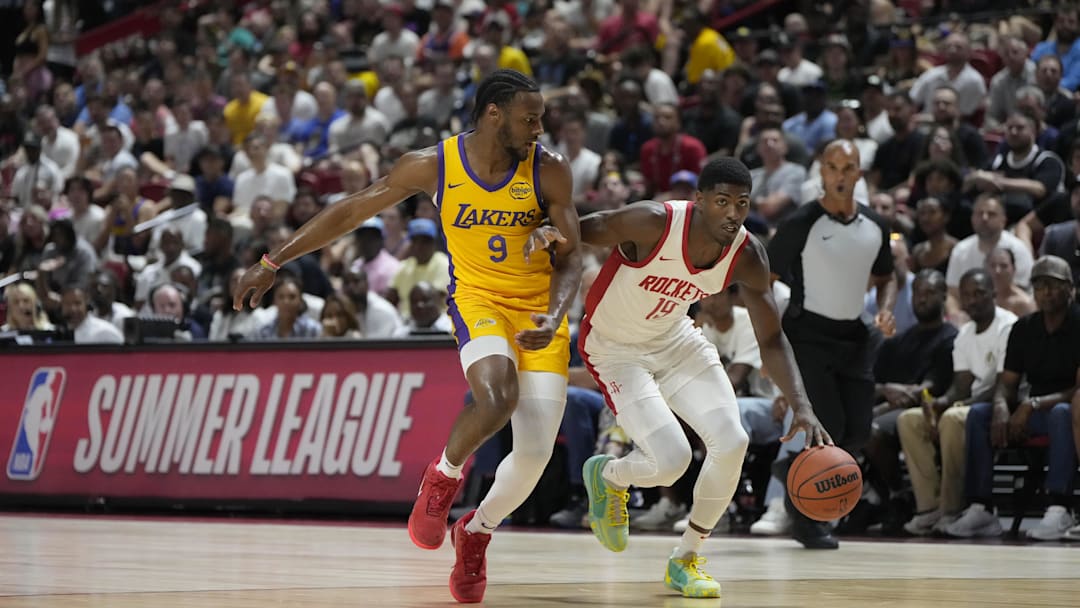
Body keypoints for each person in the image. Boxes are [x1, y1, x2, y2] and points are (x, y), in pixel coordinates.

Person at [232, 69, 583, 604]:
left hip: (539, 312)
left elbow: (572, 255)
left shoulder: (549, 170)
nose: (540, 128)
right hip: (479, 301)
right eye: (529, 118)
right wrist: (272, 260)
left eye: (541, 119)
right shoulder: (432, 163)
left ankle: (476, 532)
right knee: (496, 396)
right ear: (495, 115)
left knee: (533, 456)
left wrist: (554, 314)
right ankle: (442, 477)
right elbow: (353, 209)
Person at [524, 157, 831, 599]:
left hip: (677, 341)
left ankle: (685, 559)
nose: (732, 213)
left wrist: (801, 404)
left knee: (734, 441)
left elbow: (772, 338)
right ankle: (610, 475)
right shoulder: (653, 222)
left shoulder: (746, 254)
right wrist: (543, 229)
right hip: (613, 349)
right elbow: (579, 227)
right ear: (700, 200)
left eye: (741, 204)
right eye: (722, 201)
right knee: (672, 460)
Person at [767, 139, 897, 549]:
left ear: (860, 173)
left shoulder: (875, 225)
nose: (840, 175)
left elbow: (887, 275)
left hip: (854, 336)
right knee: (829, 429)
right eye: (832, 167)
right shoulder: (801, 222)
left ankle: (788, 468)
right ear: (821, 173)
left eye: (849, 167)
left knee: (859, 432)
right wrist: (769, 340)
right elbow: (764, 279)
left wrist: (886, 308)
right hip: (808, 334)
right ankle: (805, 523)